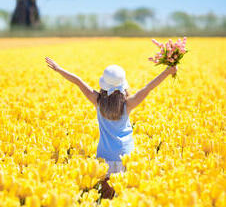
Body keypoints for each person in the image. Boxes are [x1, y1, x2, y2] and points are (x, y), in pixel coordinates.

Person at [45, 57, 177, 199]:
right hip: (125, 155)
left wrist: (59, 69)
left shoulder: (97, 101)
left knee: (106, 196)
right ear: (123, 86)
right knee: (123, 196)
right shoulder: (128, 104)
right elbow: (148, 88)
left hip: (105, 155)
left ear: (104, 85)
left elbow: (78, 81)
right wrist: (167, 71)